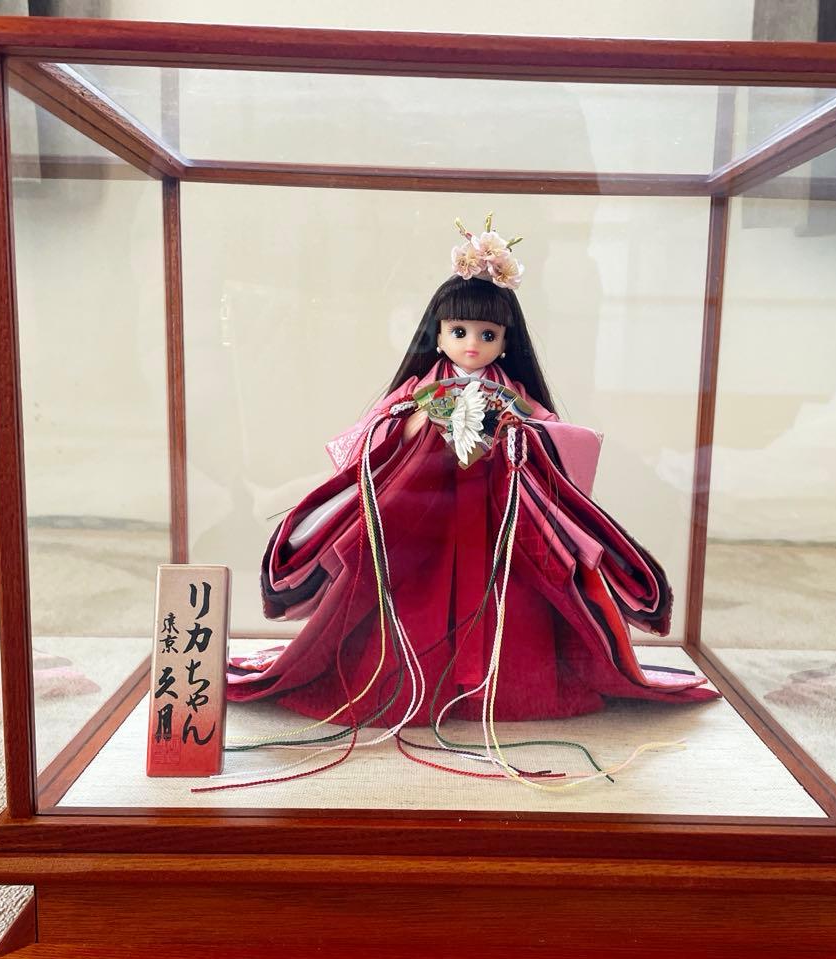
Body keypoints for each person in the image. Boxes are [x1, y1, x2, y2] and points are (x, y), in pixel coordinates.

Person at [224, 217, 717, 783]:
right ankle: (407, 685)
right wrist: (417, 421)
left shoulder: (512, 392)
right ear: (436, 335)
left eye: (487, 334)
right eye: (459, 331)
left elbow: (558, 435)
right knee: (405, 595)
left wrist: (517, 430)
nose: (472, 344)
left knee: (513, 594)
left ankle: (502, 692)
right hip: (420, 516)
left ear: (506, 340)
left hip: (499, 516)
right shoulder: (420, 389)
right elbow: (373, 433)